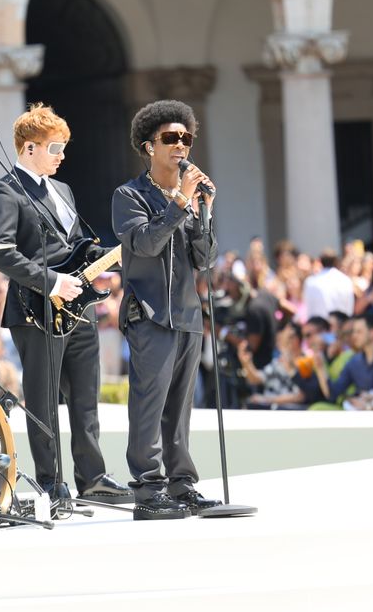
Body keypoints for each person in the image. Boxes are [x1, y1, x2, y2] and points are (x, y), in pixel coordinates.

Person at [0, 103, 131, 505]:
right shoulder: (5, 190)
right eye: (55, 147)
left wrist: (115, 255)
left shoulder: (62, 190)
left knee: (86, 399)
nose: (63, 155)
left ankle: (93, 478)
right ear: (29, 148)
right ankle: (51, 484)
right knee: (45, 402)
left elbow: (77, 247)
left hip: (78, 308)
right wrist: (51, 281)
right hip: (36, 309)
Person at [112, 99, 221, 520]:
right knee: (149, 404)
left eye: (186, 138)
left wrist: (205, 210)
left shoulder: (192, 200)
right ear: (148, 146)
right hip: (150, 314)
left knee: (180, 409)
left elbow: (205, 259)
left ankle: (182, 484)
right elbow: (144, 244)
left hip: (188, 315)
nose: (181, 146)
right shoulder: (129, 195)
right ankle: (147, 488)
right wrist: (180, 203)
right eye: (170, 139)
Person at [303, 249, 355, 319]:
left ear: (320, 262)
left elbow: (308, 307)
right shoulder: (345, 280)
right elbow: (349, 306)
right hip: (340, 323)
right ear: (336, 261)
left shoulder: (311, 282)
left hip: (318, 325)